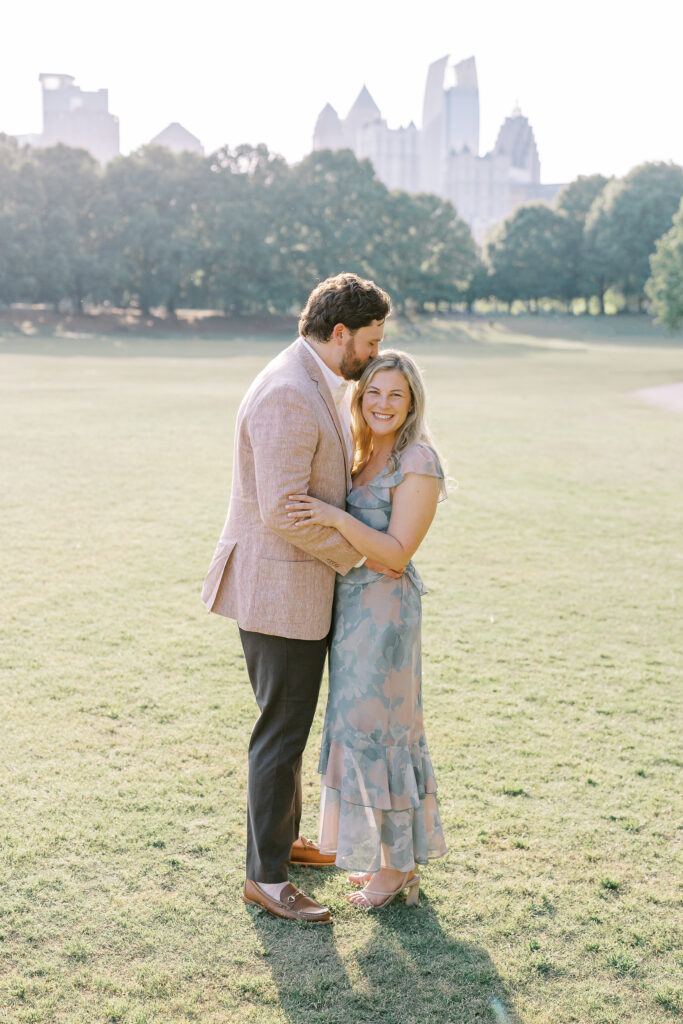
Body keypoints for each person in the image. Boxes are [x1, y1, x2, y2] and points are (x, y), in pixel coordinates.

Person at [201, 273, 392, 924]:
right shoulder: (288, 391)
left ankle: (282, 846)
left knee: (288, 729)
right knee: (279, 736)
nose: (372, 354)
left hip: (295, 589)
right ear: (339, 334)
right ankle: (266, 879)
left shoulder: (312, 379)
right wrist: (358, 557)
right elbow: (283, 508)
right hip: (280, 591)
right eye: (368, 341)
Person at [286, 350, 448, 910]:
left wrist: (335, 519)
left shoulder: (418, 461)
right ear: (360, 397)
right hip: (351, 614)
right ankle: (388, 861)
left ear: (411, 403)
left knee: (382, 734)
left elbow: (397, 554)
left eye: (395, 395)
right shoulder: (362, 455)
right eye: (373, 392)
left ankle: (399, 867)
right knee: (356, 734)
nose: (383, 404)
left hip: (386, 617)